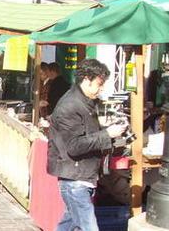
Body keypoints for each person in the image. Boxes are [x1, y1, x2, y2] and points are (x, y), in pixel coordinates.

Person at [47, 59, 128, 231]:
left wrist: (104, 125)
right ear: (86, 79)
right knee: (88, 227)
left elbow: (86, 134)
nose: (101, 89)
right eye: (99, 84)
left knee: (68, 224)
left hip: (81, 175)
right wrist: (107, 133)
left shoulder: (87, 102)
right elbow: (74, 146)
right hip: (74, 178)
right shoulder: (69, 106)